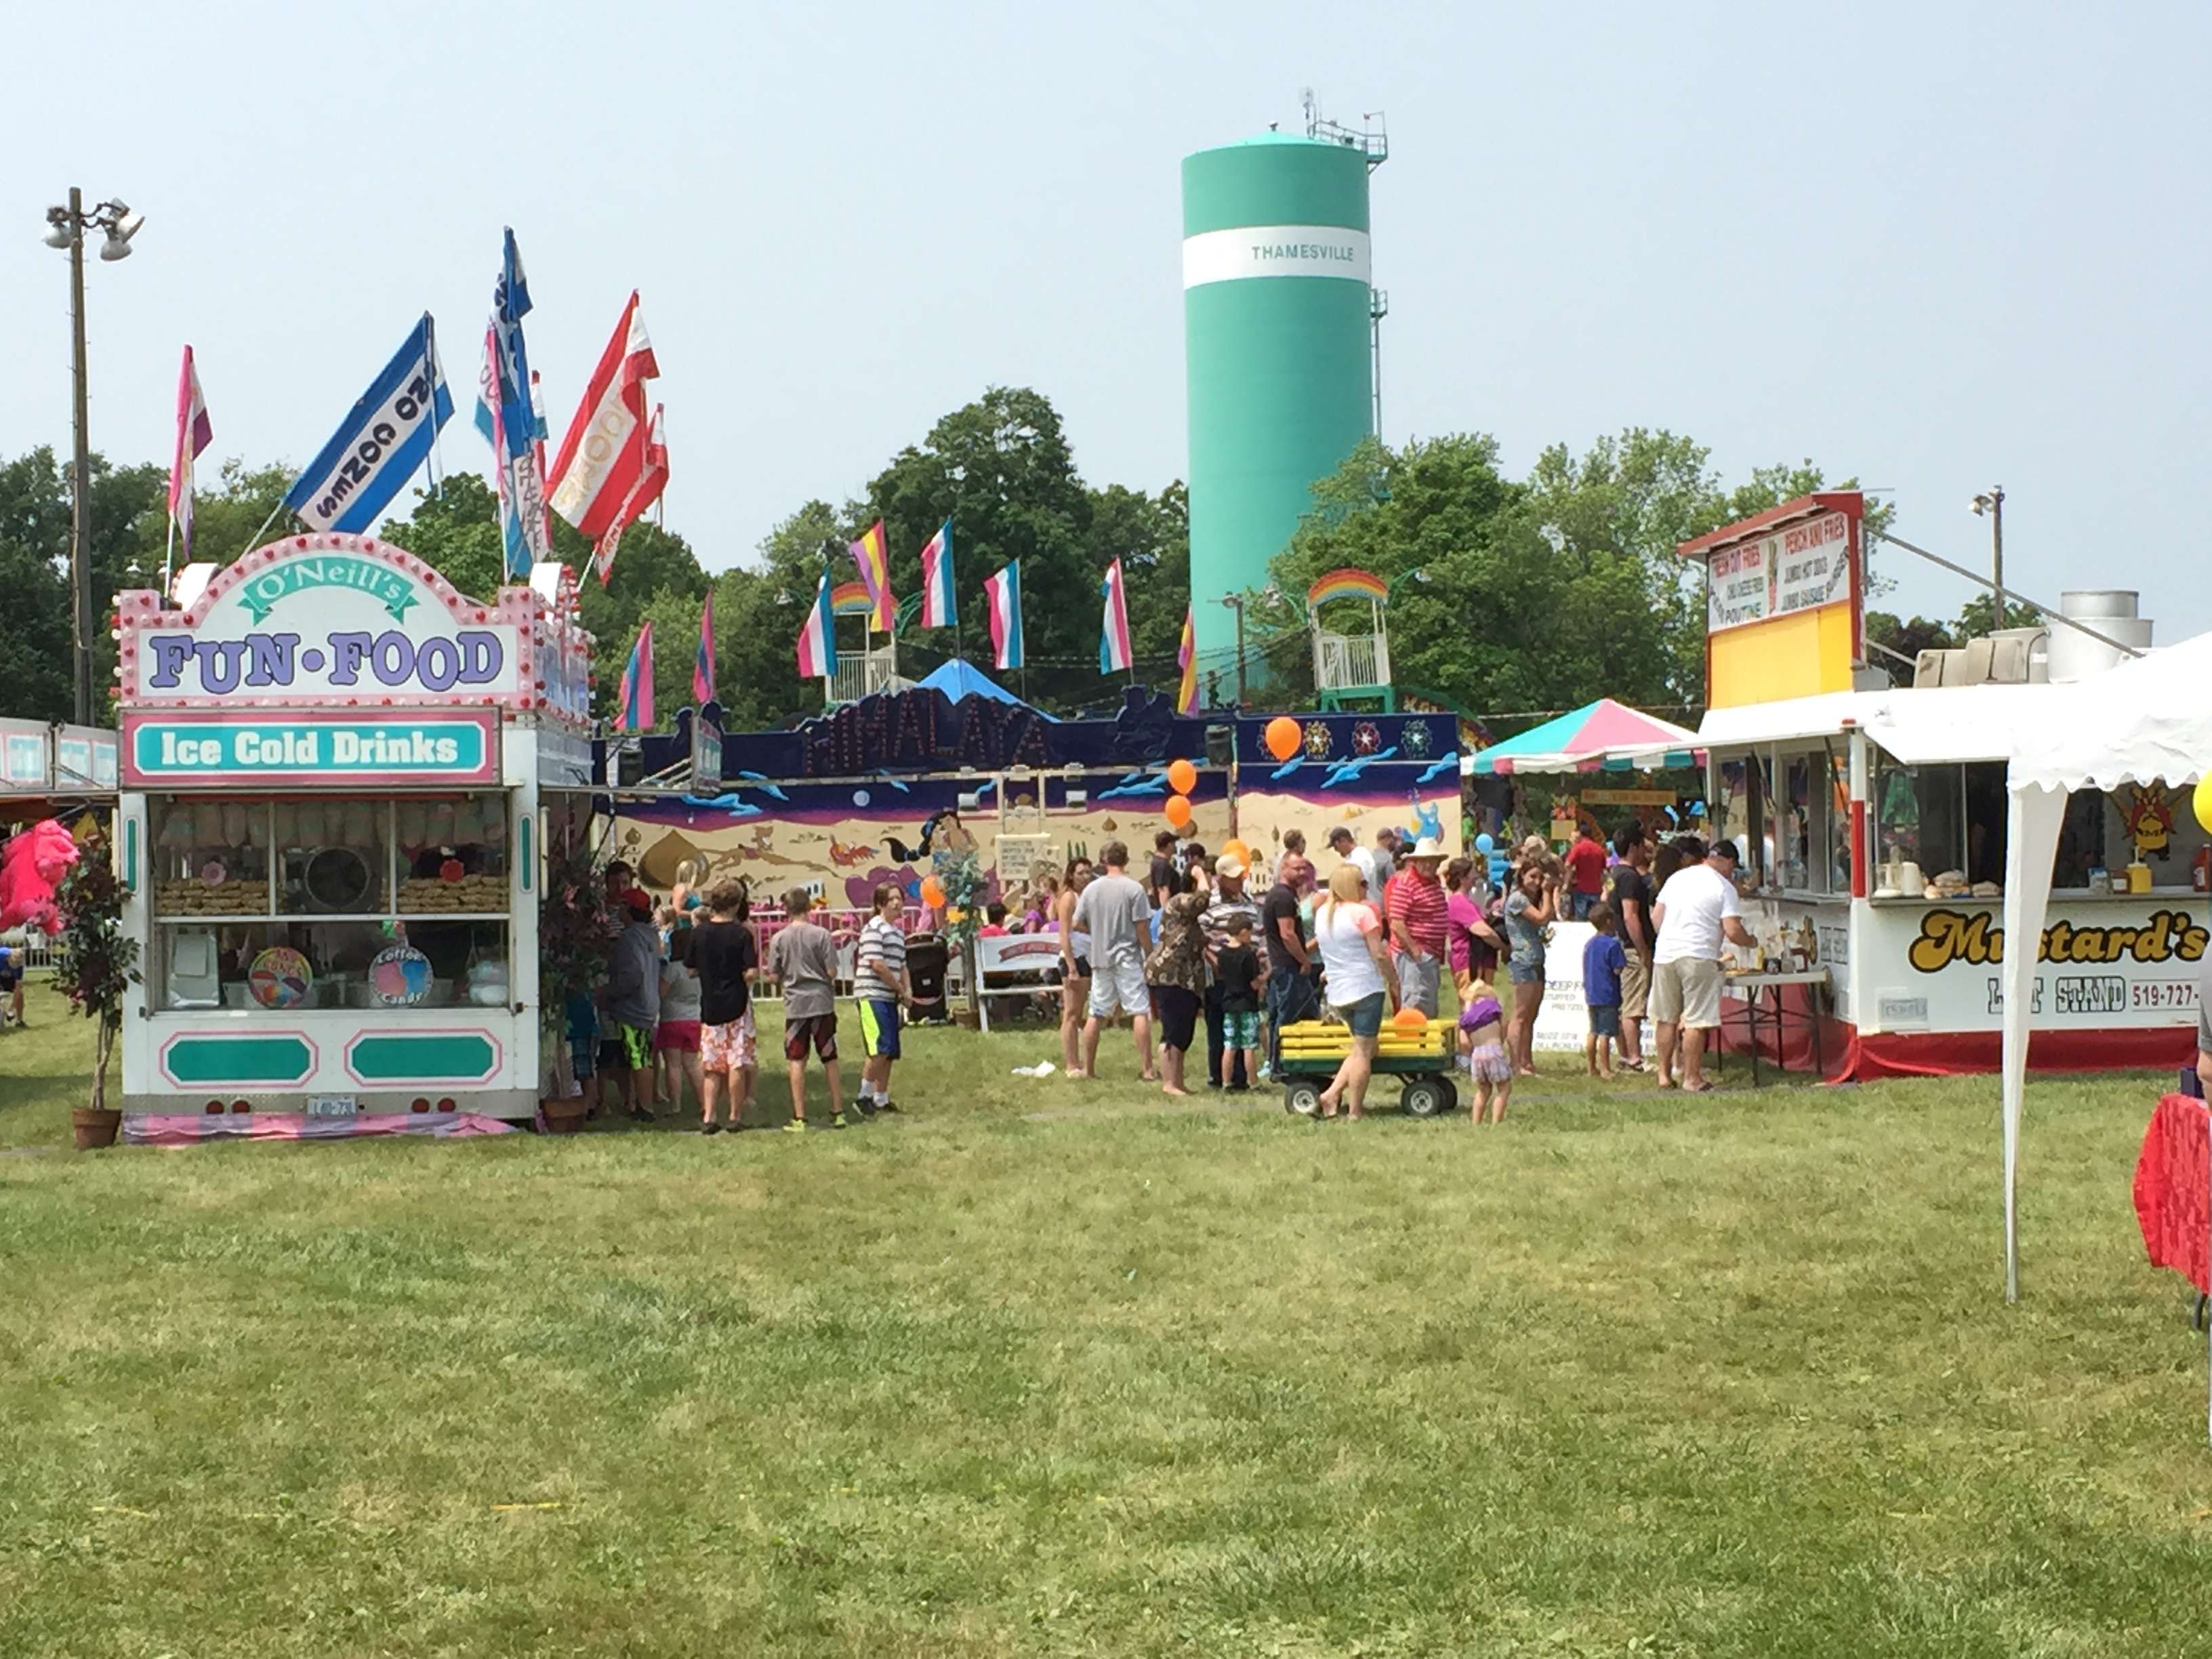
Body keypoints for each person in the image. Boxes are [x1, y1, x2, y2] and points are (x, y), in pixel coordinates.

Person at [1651, 838, 1755, 1094]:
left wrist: (1668, 939)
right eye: (1733, 867)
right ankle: (1692, 1078)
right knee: (1697, 1019)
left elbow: (1656, 917)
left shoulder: (1677, 878)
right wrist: (1750, 941)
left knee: (1666, 1019)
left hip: (1665, 954)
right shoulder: (1724, 887)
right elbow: (1732, 930)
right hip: (1699, 954)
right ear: (1728, 862)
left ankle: (1664, 1075)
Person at [1311, 862, 1399, 1120]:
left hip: (1338, 992)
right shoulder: (1363, 913)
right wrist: (1393, 979)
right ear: (1350, 885)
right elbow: (1379, 955)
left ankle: (1332, 1093)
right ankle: (1355, 1110)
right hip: (1366, 989)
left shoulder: (1322, 914)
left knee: (1365, 1047)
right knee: (1363, 1052)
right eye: (1362, 882)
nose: (1366, 887)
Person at [1072, 841, 1156, 1082]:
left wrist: (1097, 932)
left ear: (1103, 861)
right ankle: (1147, 1069)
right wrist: (1149, 953)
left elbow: (1077, 923)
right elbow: (1141, 927)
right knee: (1139, 1010)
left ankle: (1088, 1068)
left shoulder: (1091, 890)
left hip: (1100, 957)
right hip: (1128, 956)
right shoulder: (1134, 889)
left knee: (1097, 1012)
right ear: (1126, 860)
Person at [768, 884, 846, 1130]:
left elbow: (772, 976)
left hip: (796, 1005)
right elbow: (832, 971)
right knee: (829, 1057)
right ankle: (838, 1111)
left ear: (786, 910)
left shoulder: (779, 939)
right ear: (808, 907)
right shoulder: (822, 935)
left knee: (796, 1060)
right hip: (821, 1002)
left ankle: (800, 1117)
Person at [689, 878, 758, 1134]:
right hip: (737, 1005)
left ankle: (709, 1116)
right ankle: (734, 1116)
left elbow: (690, 969)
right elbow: (751, 971)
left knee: (711, 1064)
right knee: (736, 1061)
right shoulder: (741, 934)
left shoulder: (699, 933)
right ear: (736, 905)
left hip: (710, 1006)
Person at [599, 886, 663, 1125]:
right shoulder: (651, 935)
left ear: (630, 909)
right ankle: (638, 1102)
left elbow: (632, 974)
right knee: (640, 1056)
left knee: (639, 1058)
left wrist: (609, 993)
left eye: (623, 906)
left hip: (633, 1007)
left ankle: (645, 1108)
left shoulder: (629, 938)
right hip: (649, 1002)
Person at [1199, 852, 1262, 1088]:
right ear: (1220, 878)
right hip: (1221, 976)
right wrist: (1215, 961)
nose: (1239, 881)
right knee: (1220, 1028)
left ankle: (1242, 1077)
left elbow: (1258, 936)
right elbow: (1200, 936)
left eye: (1241, 877)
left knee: (1246, 1030)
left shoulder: (1248, 902)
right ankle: (1219, 1075)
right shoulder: (1210, 903)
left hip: (1247, 975)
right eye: (1234, 878)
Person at [1144, 882, 1207, 1097]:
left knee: (1183, 1032)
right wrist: (1200, 875)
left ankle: (1178, 1082)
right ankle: (1169, 1083)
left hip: (1184, 979)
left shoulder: (1187, 915)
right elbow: (1203, 899)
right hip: (1169, 976)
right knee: (1172, 1031)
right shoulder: (1179, 901)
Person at [853, 881, 909, 1118]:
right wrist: (899, 989)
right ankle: (863, 1097)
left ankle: (881, 1098)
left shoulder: (897, 932)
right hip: (872, 995)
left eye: (899, 898)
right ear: (880, 904)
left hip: (889, 997)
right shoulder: (873, 929)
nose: (897, 903)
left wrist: (908, 991)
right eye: (891, 899)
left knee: (890, 1051)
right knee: (878, 1048)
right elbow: (877, 965)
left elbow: (902, 964)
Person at [1260, 851, 1318, 1078]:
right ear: (1284, 869)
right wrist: (1304, 960)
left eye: (1304, 868)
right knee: (1288, 1017)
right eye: (1296, 868)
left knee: (1282, 1015)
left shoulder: (1284, 894)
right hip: (1288, 966)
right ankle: (1282, 1065)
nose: (1302, 873)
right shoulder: (1283, 897)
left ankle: (1279, 1063)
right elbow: (1288, 934)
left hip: (1282, 966)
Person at [1607, 825, 1657, 1072]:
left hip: (1619, 943)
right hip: (1631, 947)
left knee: (1627, 1002)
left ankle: (1627, 1053)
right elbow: (1631, 915)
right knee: (1634, 1006)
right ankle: (1634, 1057)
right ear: (1633, 847)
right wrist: (1642, 949)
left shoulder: (1614, 873)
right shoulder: (1630, 877)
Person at [1502, 862, 1559, 1078]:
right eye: (1532, 877)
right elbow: (1542, 917)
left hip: (1536, 960)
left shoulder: (1530, 900)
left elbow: (1545, 919)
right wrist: (1547, 891)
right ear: (1522, 876)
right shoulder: (1517, 899)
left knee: (1531, 1016)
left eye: (1540, 878)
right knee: (1520, 1014)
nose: (1536, 882)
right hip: (1522, 961)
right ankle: (1516, 1063)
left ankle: (1528, 1061)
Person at [1383, 835, 1450, 1018]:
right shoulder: (1407, 884)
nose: (1427, 865)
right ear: (1414, 862)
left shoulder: (1433, 882)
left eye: (1431, 861)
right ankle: (1413, 1043)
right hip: (1414, 955)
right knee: (1416, 1000)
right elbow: (1396, 922)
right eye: (1423, 861)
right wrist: (1416, 951)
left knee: (1428, 1001)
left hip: (1430, 953)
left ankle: (1423, 1042)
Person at [655, 908, 706, 1119]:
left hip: (672, 1020)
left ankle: (675, 1105)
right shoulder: (698, 970)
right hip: (694, 1019)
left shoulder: (673, 969)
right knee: (693, 1064)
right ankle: (704, 1103)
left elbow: (661, 993)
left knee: (673, 1065)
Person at [1214, 914, 1266, 1092]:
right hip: (1247, 1004)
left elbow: (1222, 973)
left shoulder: (1222, 953)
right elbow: (1253, 983)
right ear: (1243, 932)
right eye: (1249, 934)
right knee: (1248, 1046)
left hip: (1229, 1003)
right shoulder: (1248, 954)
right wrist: (1267, 975)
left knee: (1229, 1045)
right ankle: (1253, 1082)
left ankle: (1226, 1082)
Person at [1054, 857, 1094, 1076]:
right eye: (1081, 873)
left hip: (1087, 957)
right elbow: (1064, 933)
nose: (1086, 877)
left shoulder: (1086, 896)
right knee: (1070, 1014)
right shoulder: (1069, 898)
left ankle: (1079, 1061)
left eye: (1089, 872)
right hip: (1074, 958)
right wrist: (1071, 966)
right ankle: (1071, 1064)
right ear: (1071, 875)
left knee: (1079, 1013)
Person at [1582, 901, 1626, 1080]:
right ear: (1609, 921)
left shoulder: (1590, 944)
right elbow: (1617, 968)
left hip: (1592, 993)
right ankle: (1606, 1069)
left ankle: (1591, 1067)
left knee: (1593, 1031)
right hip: (1608, 993)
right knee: (1606, 1033)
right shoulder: (1612, 945)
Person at [1459, 977, 1512, 1124]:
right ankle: (1496, 1123)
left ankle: (1476, 1122)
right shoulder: (1495, 1009)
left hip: (1477, 1054)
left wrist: (1470, 1050)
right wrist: (1500, 1042)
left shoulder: (1466, 1019)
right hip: (1493, 1049)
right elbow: (1504, 1029)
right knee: (1504, 1087)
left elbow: (1464, 1042)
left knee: (1483, 1091)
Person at [1565, 822, 1610, 920]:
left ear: (1580, 834)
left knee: (1581, 920)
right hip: (1596, 889)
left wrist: (1570, 881)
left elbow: (1568, 864)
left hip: (1581, 888)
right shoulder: (1599, 849)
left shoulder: (1578, 848)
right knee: (1596, 919)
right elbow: (1603, 870)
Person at [1149, 830, 1181, 911]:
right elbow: (1163, 890)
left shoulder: (1157, 861)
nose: (1175, 846)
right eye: (1174, 843)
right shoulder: (1163, 865)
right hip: (1168, 910)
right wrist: (1165, 913)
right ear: (1169, 845)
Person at [0, 940, 24, 1029]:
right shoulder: (1, 954)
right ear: (8, 958)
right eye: (14, 963)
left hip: (8, 977)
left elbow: (17, 987)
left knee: (20, 994)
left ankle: (19, 1021)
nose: (16, 966)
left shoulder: (19, 966)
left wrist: (12, 1009)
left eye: (18, 964)